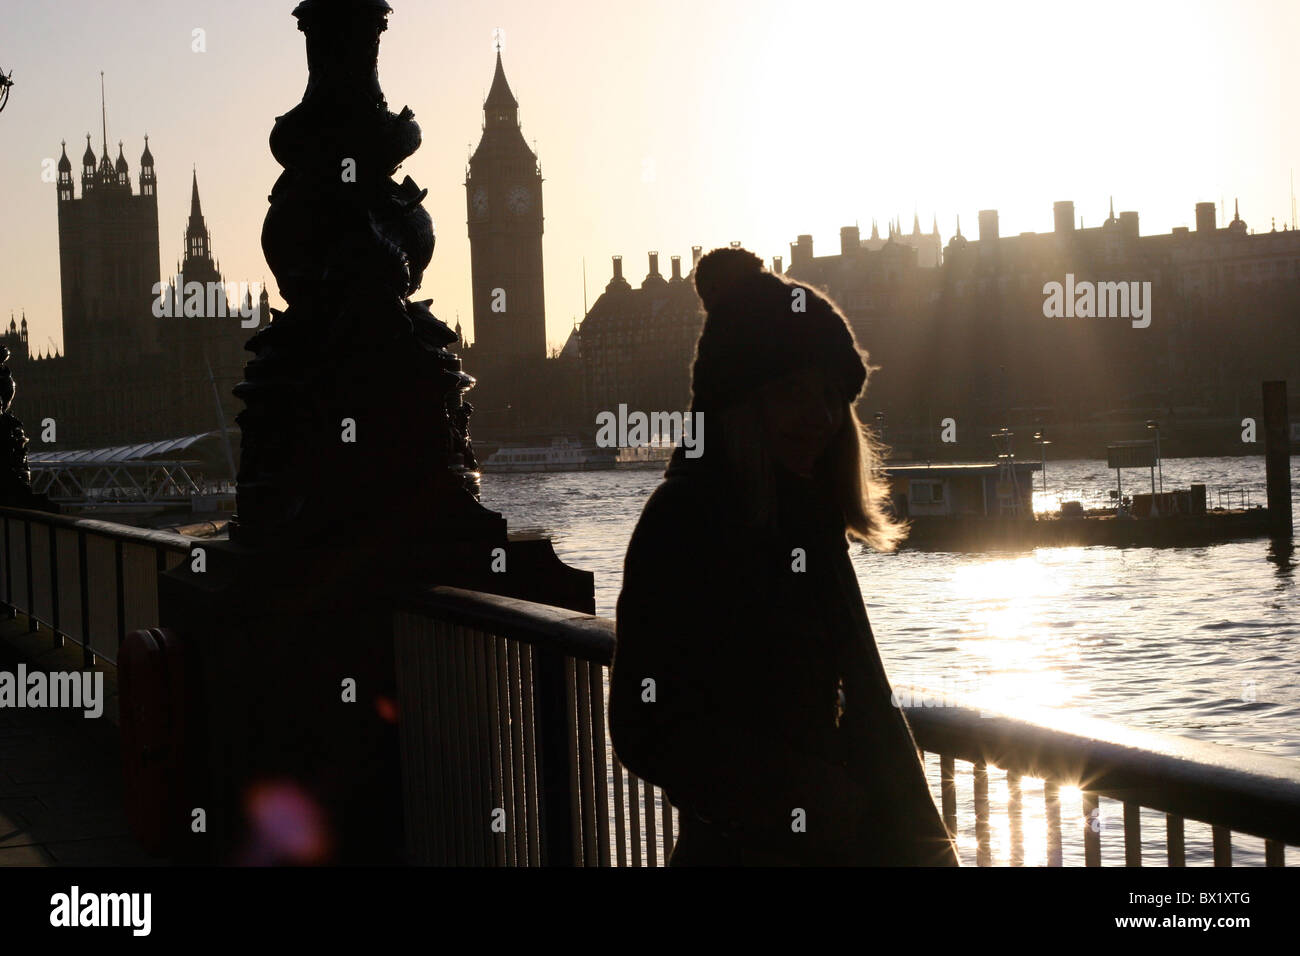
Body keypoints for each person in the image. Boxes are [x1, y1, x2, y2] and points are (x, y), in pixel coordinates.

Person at [609, 247, 959, 866]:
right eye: (793, 393)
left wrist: (929, 851)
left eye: (831, 397)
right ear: (738, 407)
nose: (820, 417)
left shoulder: (812, 520)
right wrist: (795, 789)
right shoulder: (680, 526)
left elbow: (872, 701)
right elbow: (642, 725)